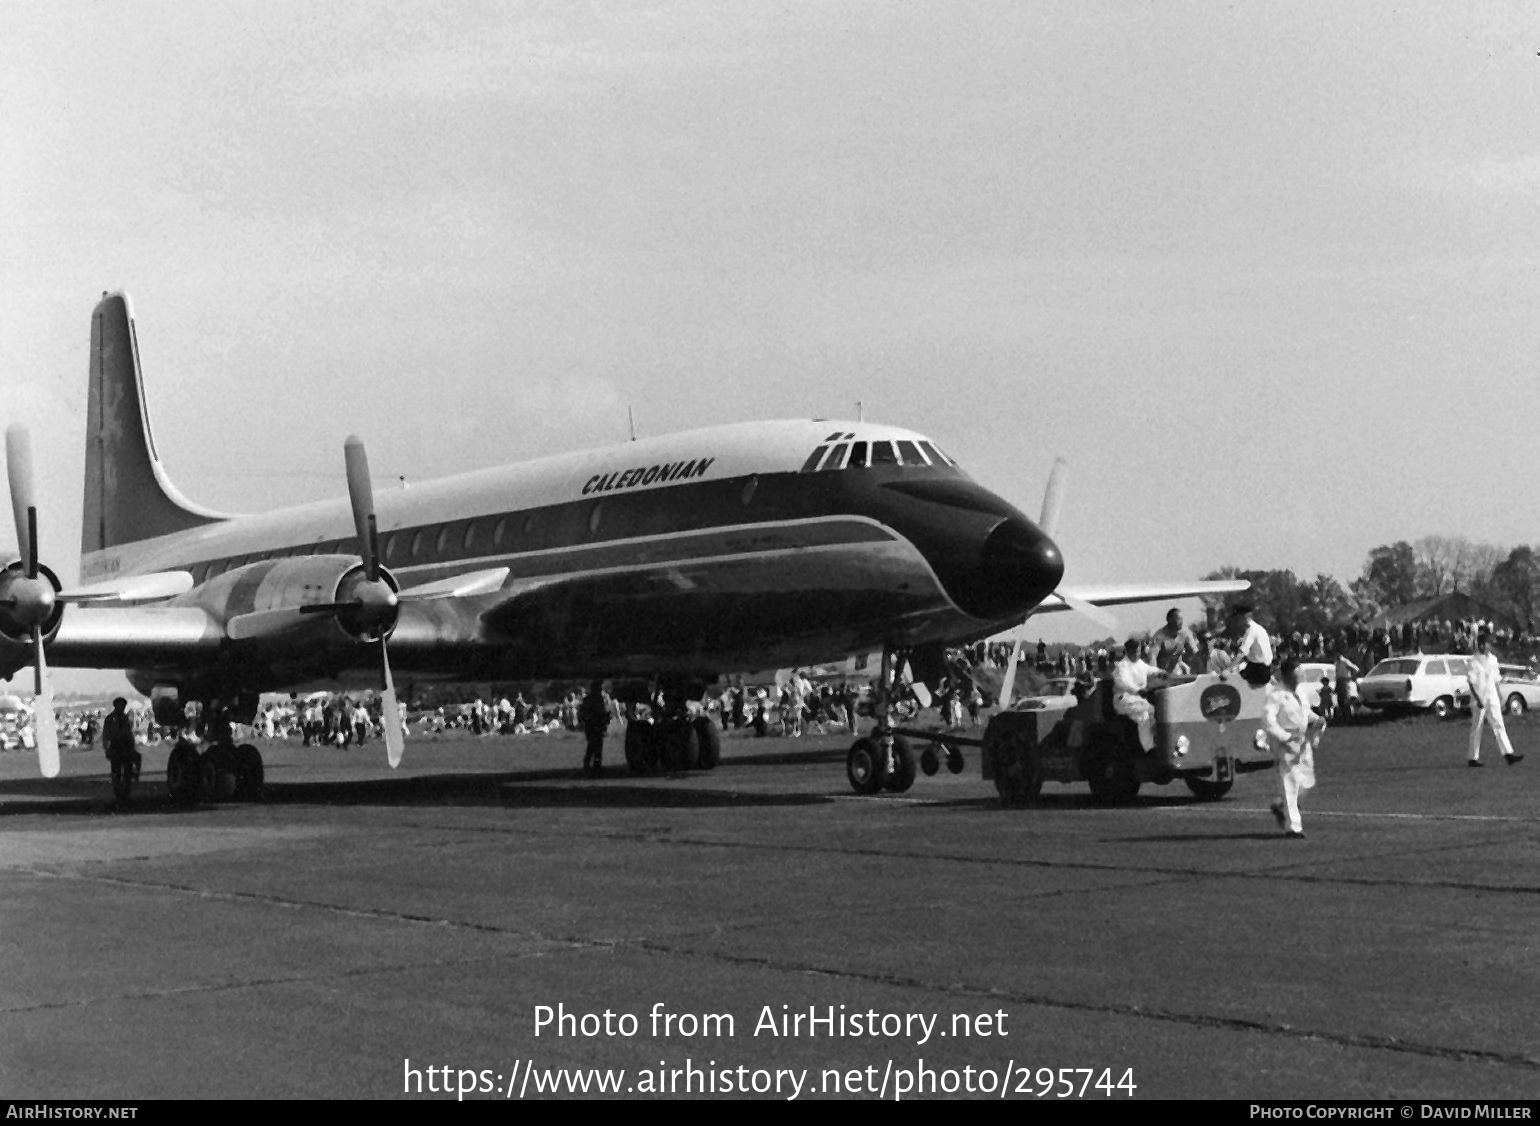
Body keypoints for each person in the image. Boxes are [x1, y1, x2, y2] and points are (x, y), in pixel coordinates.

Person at [1263, 658, 1325, 838]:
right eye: (1297, 675)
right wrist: (1285, 738)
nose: (1299, 679)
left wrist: (1316, 719)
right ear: (1287, 675)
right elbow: (1269, 722)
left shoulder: (1301, 692)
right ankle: (1293, 828)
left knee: (1306, 782)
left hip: (1302, 742)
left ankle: (1280, 804)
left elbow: (1305, 712)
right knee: (1289, 783)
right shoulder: (1276, 695)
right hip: (1285, 744)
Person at [1466, 633, 1523, 767]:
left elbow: (1496, 679)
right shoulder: (1473, 661)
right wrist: (1477, 699)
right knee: (1477, 727)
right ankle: (1472, 758)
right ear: (1481, 645)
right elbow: (1471, 683)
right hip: (1479, 698)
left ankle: (1508, 754)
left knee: (1499, 724)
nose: (1489, 646)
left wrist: (1499, 695)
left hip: (1492, 696)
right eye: (1487, 643)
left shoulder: (1493, 659)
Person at [1112, 638, 1165, 752]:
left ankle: (1156, 742)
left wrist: (1160, 672)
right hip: (1124, 700)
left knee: (1154, 712)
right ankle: (1149, 748)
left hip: (1138, 699)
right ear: (1128, 651)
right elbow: (1124, 682)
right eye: (1135, 651)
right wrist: (1137, 690)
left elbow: (1150, 669)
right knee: (1144, 716)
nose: (1137, 654)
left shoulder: (1139, 663)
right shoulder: (1122, 666)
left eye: (1139, 651)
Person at [102, 696, 140, 801]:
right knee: (116, 771)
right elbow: (106, 734)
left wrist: (132, 745)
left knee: (127, 770)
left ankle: (126, 791)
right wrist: (106, 748)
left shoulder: (125, 718)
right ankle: (118, 792)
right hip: (116, 745)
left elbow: (129, 733)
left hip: (125, 745)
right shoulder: (110, 719)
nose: (123, 708)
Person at [1226, 604, 1274, 687]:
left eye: (1237, 618)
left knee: (1234, 682)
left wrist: (1227, 670)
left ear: (1244, 617)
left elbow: (1241, 653)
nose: (1236, 621)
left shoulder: (1252, 630)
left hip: (1260, 671)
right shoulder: (1255, 628)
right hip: (1255, 666)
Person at [1151, 607, 1199, 674]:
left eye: (1182, 619)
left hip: (1178, 670)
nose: (1181, 622)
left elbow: (1195, 652)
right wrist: (1156, 674)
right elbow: (1152, 657)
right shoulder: (1159, 636)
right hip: (1163, 672)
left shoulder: (1185, 632)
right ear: (1169, 620)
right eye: (1179, 619)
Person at [579, 680, 611, 776]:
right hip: (592, 725)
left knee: (596, 745)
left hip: (595, 724)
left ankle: (594, 764)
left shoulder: (593, 699)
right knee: (593, 745)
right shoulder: (593, 699)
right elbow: (587, 713)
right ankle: (590, 764)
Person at [1333, 650, 1360, 723]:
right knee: (1340, 701)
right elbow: (1337, 675)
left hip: (1345, 682)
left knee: (1346, 701)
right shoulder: (1336, 663)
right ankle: (1343, 718)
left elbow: (1355, 669)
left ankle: (1349, 718)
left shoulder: (1345, 662)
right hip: (1339, 682)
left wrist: (1351, 678)